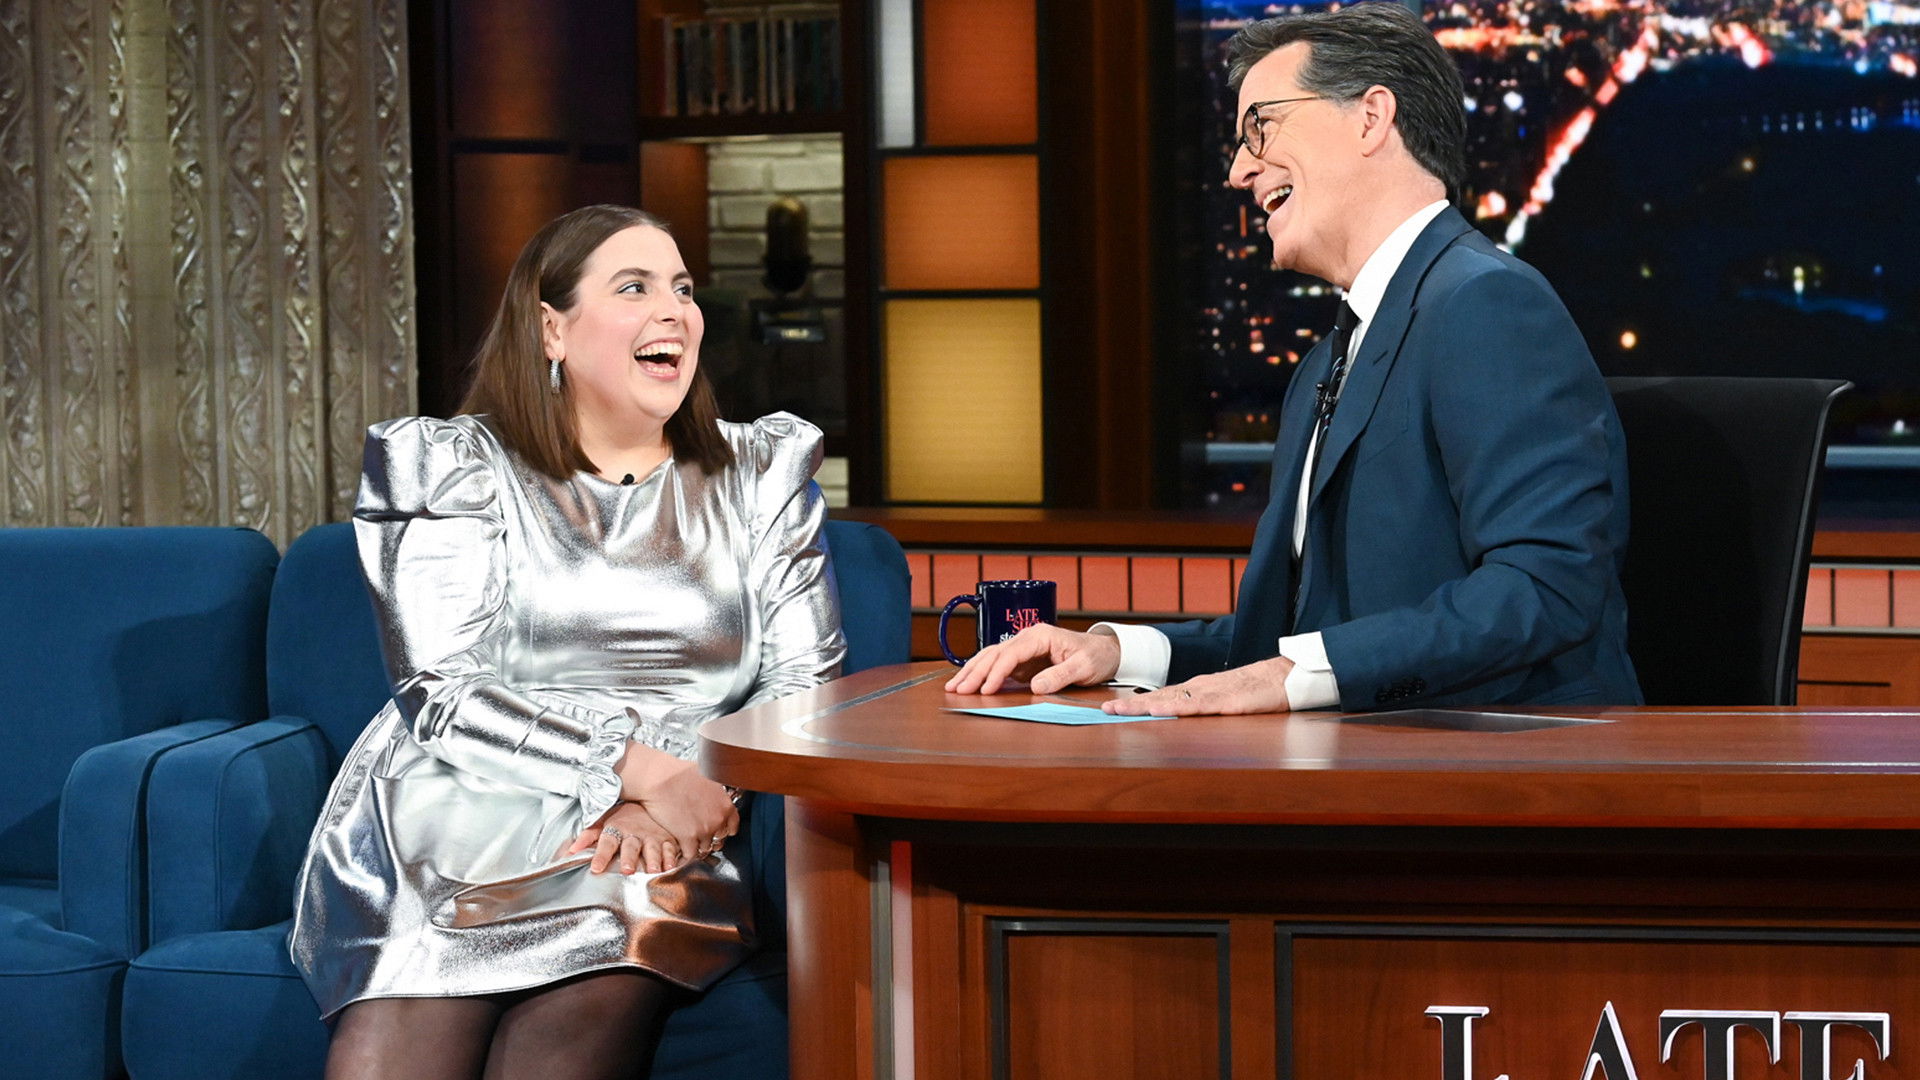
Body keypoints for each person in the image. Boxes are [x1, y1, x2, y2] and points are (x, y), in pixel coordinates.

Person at [948, 2, 1640, 715]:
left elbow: (1545, 586)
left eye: (1261, 127)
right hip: (1360, 757)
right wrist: (1122, 652)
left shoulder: (1486, 303)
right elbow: (1299, 647)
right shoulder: (1325, 364)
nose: (1239, 171)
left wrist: (1287, 677)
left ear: (1371, 118)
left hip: (1503, 759)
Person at [289, 204, 845, 1079]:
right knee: (408, 1024)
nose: (674, 312)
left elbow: (806, 685)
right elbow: (441, 692)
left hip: (667, 827)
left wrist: (685, 791)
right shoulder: (455, 467)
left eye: (682, 289)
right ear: (551, 328)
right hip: (466, 806)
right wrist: (633, 772)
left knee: (590, 991)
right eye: (634, 288)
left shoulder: (759, 473)